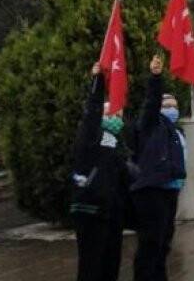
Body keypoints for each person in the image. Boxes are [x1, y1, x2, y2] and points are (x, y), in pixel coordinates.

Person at [71, 63, 131, 281]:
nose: (115, 117)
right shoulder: (90, 134)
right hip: (90, 208)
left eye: (119, 114)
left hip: (111, 211)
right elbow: (92, 113)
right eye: (110, 113)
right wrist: (97, 82)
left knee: (110, 262)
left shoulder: (118, 142)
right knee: (91, 265)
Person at [130, 56, 186, 281]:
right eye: (166, 105)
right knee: (151, 242)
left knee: (164, 242)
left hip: (170, 188)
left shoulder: (176, 130)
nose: (170, 109)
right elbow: (151, 104)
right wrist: (155, 78)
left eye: (173, 105)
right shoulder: (151, 123)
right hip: (151, 189)